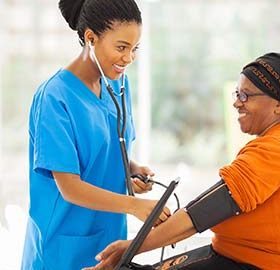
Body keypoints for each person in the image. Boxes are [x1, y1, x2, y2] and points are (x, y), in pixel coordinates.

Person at [84, 52, 280, 270]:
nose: (236, 102)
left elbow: (200, 214)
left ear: (279, 105)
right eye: (237, 93)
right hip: (239, 257)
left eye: (247, 95)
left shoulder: (278, 150)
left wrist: (130, 248)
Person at [21, 0, 171, 269]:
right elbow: (70, 187)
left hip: (108, 239)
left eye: (135, 49)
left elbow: (110, 148)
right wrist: (136, 206)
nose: (129, 58)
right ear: (90, 38)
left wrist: (131, 170)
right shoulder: (54, 98)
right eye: (121, 47)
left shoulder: (118, 82)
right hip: (62, 248)